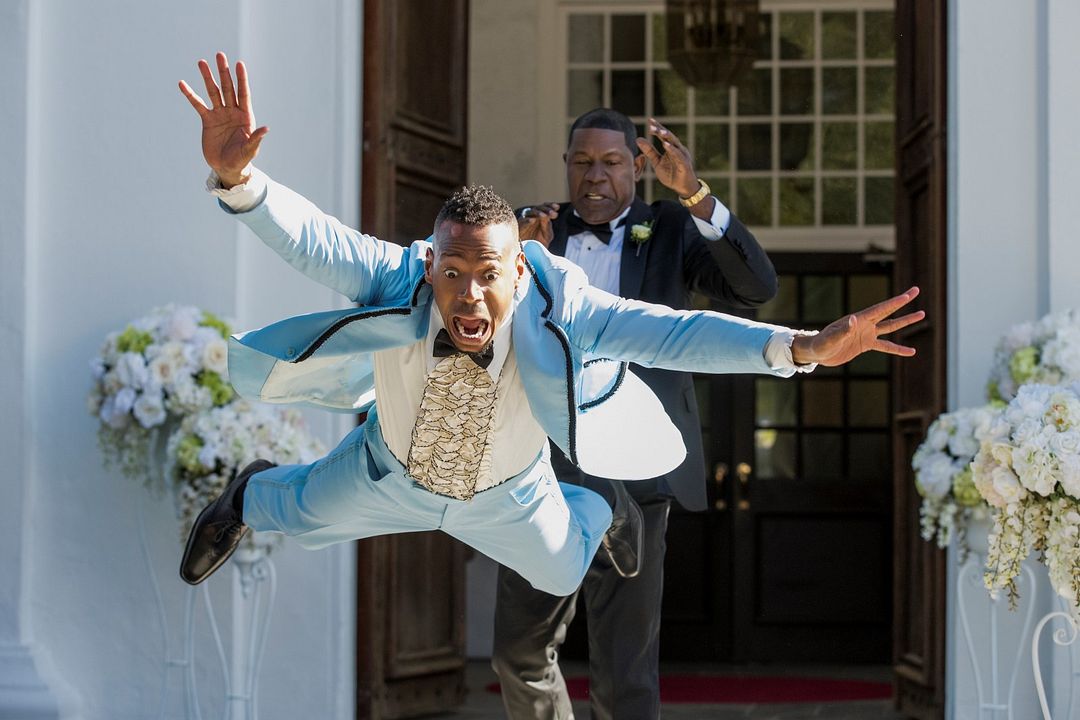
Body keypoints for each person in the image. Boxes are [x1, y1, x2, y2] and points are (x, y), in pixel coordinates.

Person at [175, 54, 924, 613]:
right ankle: (244, 492)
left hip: (511, 499)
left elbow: (672, 332)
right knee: (291, 512)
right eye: (454, 273)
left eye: (489, 275)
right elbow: (317, 240)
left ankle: (607, 511)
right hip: (388, 473)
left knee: (564, 569)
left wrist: (800, 349)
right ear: (431, 264)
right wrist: (243, 184)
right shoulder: (399, 275)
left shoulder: (564, 305)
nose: (470, 294)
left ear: (521, 272)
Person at [493, 107, 776, 720]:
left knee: (626, 672)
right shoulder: (528, 232)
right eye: (583, 162)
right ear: (566, 166)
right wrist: (514, 266)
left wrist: (697, 196)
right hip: (539, 471)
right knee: (518, 651)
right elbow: (479, 332)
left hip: (635, 478)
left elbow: (757, 288)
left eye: (613, 162)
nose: (596, 176)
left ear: (639, 168)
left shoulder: (671, 228)